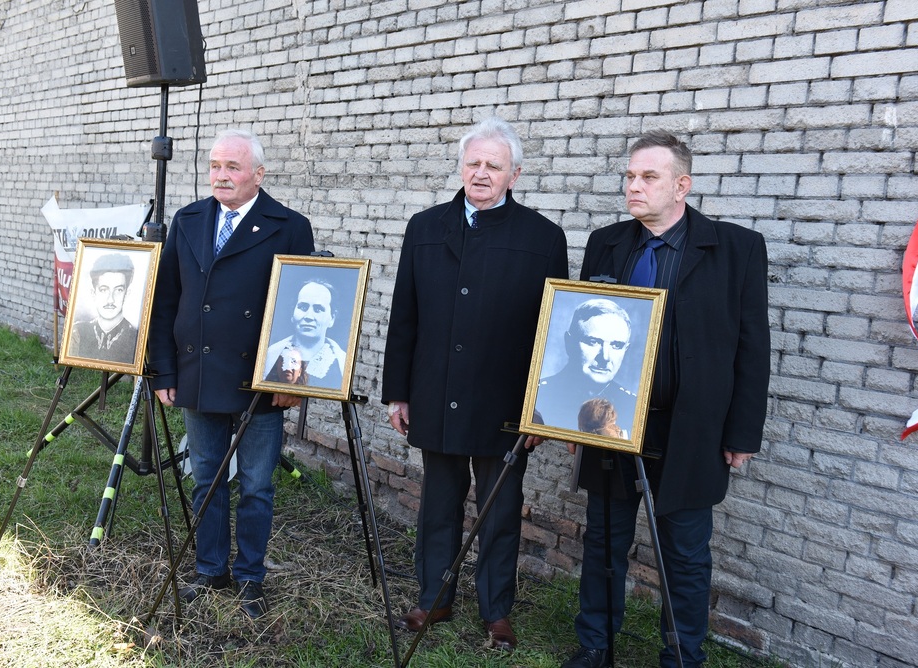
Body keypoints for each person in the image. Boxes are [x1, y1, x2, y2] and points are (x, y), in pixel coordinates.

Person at [560, 130, 769, 668]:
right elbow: (581, 331)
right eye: (630, 176)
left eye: (648, 177)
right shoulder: (606, 243)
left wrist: (742, 433)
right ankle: (595, 644)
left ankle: (682, 656)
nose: (634, 186)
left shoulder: (737, 249)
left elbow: (752, 348)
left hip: (692, 428)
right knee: (604, 540)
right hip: (612, 421)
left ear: (682, 185)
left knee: (685, 552)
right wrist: (571, 419)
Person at [382, 116, 569, 650]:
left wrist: (541, 408)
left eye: (493, 165)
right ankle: (434, 597)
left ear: (514, 174)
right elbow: (405, 315)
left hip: (503, 401)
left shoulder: (543, 237)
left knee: (500, 509)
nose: (481, 173)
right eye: (473, 163)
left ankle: (496, 610)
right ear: (461, 167)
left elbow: (553, 332)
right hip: (436, 391)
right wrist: (398, 391)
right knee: (438, 502)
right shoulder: (425, 227)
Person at [148, 128, 315, 620]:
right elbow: (166, 299)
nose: (221, 176)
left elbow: (299, 308)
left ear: (258, 174)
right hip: (198, 372)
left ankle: (249, 577)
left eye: (233, 167)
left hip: (259, 380)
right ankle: (210, 568)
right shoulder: (189, 219)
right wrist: (163, 370)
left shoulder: (289, 225)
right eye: (215, 166)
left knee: (257, 485)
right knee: (207, 478)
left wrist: (293, 380)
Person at [534, 298, 638, 437]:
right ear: (569, 343)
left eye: (616, 345)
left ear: (626, 349)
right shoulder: (537, 396)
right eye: (593, 341)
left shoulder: (634, 407)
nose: (605, 357)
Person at [264, 279, 345, 388]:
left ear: (332, 318)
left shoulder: (342, 362)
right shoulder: (271, 355)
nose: (308, 317)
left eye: (318, 309)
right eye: (303, 307)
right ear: (292, 314)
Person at [69, 252, 139, 364]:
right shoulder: (78, 332)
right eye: (104, 290)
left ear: (127, 293)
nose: (110, 299)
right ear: (93, 293)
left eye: (119, 290)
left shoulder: (136, 337)